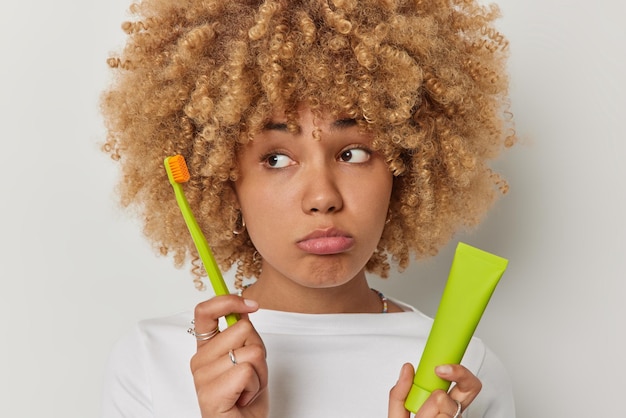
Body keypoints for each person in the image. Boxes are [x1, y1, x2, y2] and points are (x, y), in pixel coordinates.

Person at [100, 0, 516, 417]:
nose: (322, 198)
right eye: (276, 159)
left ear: (404, 167)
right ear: (224, 177)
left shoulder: (461, 378)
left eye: (353, 153)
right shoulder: (152, 361)